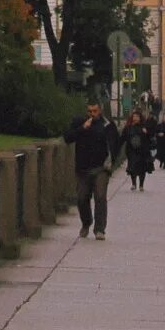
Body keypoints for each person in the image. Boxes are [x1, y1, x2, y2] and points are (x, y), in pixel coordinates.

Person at [67, 101, 116, 238]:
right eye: (89, 111)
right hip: (83, 168)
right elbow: (68, 138)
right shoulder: (79, 122)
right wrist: (82, 128)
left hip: (101, 168)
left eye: (95, 111)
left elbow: (115, 143)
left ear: (99, 111)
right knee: (82, 198)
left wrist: (110, 163)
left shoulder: (106, 125)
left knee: (100, 197)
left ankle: (100, 229)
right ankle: (86, 222)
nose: (92, 114)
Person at [124, 112, 157, 190]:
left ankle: (141, 185)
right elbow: (124, 137)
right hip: (132, 150)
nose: (135, 118)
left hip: (142, 151)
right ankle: (133, 184)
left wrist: (147, 132)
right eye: (134, 116)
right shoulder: (129, 127)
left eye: (137, 117)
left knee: (142, 169)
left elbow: (151, 137)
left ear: (140, 118)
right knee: (132, 168)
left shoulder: (144, 126)